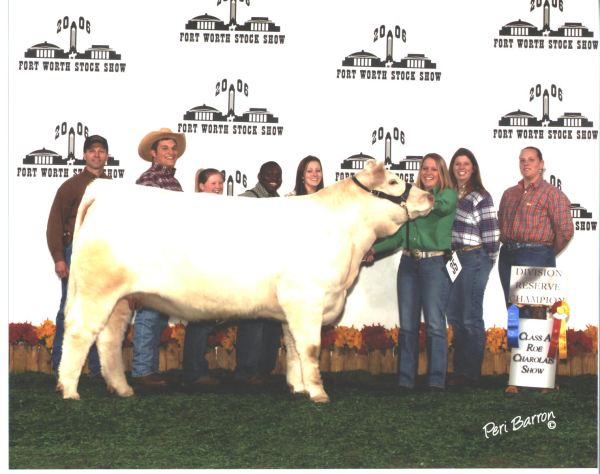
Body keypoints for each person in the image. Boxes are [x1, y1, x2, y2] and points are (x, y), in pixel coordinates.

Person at [370, 153, 457, 391]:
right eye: (425, 168)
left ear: (441, 173)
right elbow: (399, 236)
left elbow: (440, 208)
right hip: (408, 263)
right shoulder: (413, 198)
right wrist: (372, 251)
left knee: (435, 325)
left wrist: (415, 200)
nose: (428, 172)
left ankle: (436, 380)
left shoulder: (447, 194)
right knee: (408, 326)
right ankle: (405, 380)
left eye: (434, 169)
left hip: (434, 265)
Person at [46, 135, 111, 378]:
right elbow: (54, 224)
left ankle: (98, 367)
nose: (96, 155)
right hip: (77, 250)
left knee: (102, 309)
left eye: (101, 151)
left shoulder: (112, 186)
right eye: (92, 150)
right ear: (84, 155)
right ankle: (61, 363)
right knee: (70, 306)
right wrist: (59, 258)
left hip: (103, 254)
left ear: (106, 156)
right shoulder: (71, 186)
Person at [131, 128, 186, 388]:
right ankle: (142, 370)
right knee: (148, 312)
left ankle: (148, 368)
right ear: (153, 153)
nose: (171, 152)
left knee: (158, 313)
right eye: (165, 148)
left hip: (168, 257)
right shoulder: (149, 180)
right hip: (151, 256)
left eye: (173, 149)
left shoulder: (174, 183)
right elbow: (141, 225)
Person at [446, 148, 500, 387]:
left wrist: (488, 258)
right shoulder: (448, 195)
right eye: (457, 163)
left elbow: (492, 231)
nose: (461, 167)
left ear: (473, 167)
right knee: (455, 315)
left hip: (475, 257)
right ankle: (459, 370)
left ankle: (471, 374)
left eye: (466, 163)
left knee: (470, 317)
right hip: (454, 259)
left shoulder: (481, 196)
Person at [497, 146, 574, 306]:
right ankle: (514, 332)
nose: (526, 163)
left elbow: (565, 230)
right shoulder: (509, 193)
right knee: (512, 309)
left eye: (531, 160)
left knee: (533, 313)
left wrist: (545, 252)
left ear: (541, 164)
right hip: (507, 255)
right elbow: (501, 223)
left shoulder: (552, 194)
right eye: (522, 160)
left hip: (535, 254)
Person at [234, 161, 283, 385]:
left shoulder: (283, 204)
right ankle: (246, 371)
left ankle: (264, 370)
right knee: (252, 322)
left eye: (277, 174)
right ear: (259, 176)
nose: (273, 177)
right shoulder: (246, 199)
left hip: (276, 273)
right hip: (252, 271)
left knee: (272, 322)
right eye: (269, 173)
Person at [181, 168, 224, 388]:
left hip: (214, 272)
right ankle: (193, 372)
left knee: (204, 322)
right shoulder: (196, 208)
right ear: (201, 186)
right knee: (199, 321)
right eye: (213, 184)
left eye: (220, 184)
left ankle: (196, 369)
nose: (217, 188)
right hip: (199, 272)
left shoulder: (220, 209)